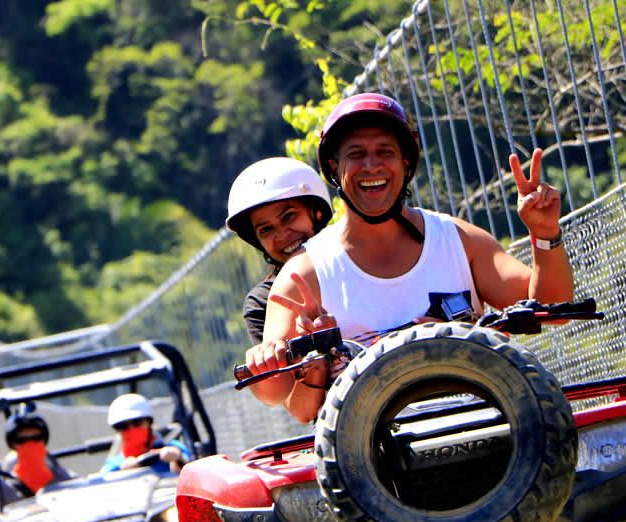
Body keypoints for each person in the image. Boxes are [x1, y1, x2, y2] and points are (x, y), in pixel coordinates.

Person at [246, 92, 574, 423]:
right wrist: (272, 356)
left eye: (384, 152)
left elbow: (552, 309)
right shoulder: (304, 275)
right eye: (356, 154)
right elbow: (272, 391)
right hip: (373, 460)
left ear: (406, 162)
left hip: (489, 428)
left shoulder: (458, 240)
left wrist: (544, 233)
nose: (371, 166)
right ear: (334, 168)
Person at [226, 157, 333, 344]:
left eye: (289, 216)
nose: (282, 235)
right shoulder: (262, 303)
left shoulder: (363, 259)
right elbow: (281, 373)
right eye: (266, 230)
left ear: (318, 213)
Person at [101, 393, 190, 474]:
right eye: (123, 426)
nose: (131, 429)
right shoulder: (114, 464)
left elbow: (192, 472)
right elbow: (103, 482)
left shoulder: (174, 447)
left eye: (137, 422)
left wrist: (178, 459)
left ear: (149, 422)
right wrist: (122, 474)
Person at [3, 409, 72, 495]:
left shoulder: (64, 479)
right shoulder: (5, 490)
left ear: (43, 440)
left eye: (36, 438)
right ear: (13, 444)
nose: (30, 444)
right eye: (22, 440)